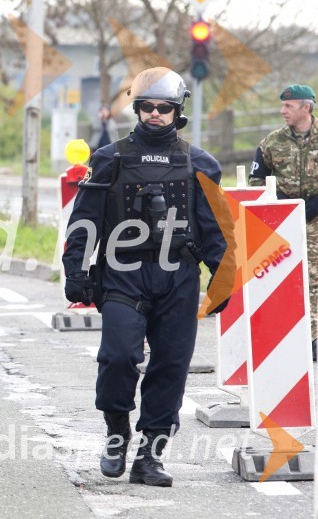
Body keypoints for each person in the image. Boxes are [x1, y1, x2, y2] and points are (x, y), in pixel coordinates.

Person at [62, 67, 233, 487]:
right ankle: (117, 431)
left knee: (171, 366)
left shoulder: (200, 163)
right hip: (123, 274)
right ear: (137, 108)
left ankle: (151, 455)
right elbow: (82, 223)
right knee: (119, 356)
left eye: (164, 108)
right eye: (147, 107)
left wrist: (223, 279)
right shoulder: (109, 159)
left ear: (177, 112)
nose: (155, 114)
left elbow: (217, 230)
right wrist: (76, 272)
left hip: (178, 276)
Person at [249, 84, 318, 360]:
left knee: (313, 280)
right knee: (279, 279)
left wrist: (312, 206)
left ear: (306, 107)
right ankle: (284, 336)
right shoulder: (271, 142)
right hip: (281, 222)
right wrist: (277, 201)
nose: (282, 111)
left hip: (315, 222)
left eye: (288, 106)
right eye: (282, 106)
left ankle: (313, 338)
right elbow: (256, 180)